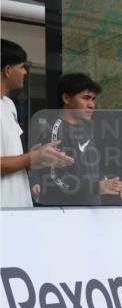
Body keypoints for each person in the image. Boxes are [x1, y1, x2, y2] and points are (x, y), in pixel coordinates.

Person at [35, 73, 122, 207]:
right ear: (66, 98)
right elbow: (56, 180)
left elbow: (92, 173)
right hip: (65, 216)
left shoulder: (86, 127)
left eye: (93, 99)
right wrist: (97, 186)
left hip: (91, 212)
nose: (92, 105)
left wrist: (115, 188)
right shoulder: (54, 131)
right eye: (86, 98)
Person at [1, 39, 72, 208]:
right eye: (22, 67)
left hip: (19, 207)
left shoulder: (8, 104)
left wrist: (37, 158)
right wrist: (31, 158)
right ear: (8, 70)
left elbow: (11, 157)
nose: (25, 72)